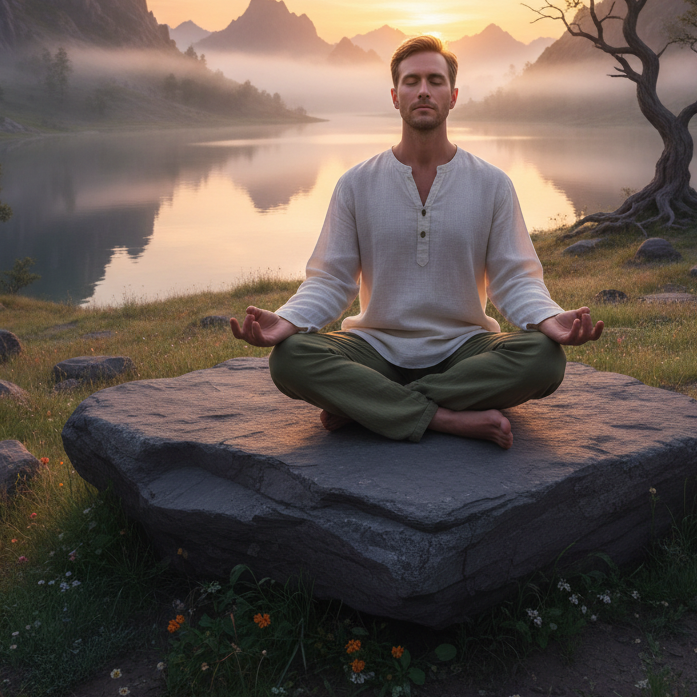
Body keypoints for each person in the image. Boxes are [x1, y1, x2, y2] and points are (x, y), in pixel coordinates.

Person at [231, 35, 603, 448]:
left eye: (434, 80)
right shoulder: (355, 183)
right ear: (395, 96)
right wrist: (286, 321)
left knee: (544, 358)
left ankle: (368, 408)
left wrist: (549, 319)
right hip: (374, 347)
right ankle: (447, 418)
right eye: (411, 81)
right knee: (290, 359)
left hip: (465, 347)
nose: (423, 90)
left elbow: (514, 278)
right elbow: (331, 280)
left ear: (453, 95)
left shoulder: (492, 184)